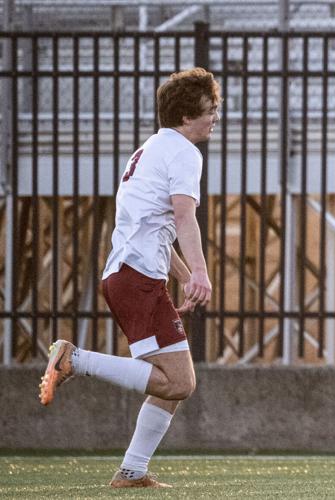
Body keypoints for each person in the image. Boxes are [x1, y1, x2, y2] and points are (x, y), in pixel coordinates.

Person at [38, 67, 219, 486]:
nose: (215, 118)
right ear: (188, 115)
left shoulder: (151, 149)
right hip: (136, 280)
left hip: (127, 276)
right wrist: (203, 274)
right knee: (180, 382)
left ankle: (132, 470)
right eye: (211, 110)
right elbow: (183, 215)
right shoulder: (185, 153)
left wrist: (187, 274)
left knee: (171, 380)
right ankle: (73, 359)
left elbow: (158, 228)